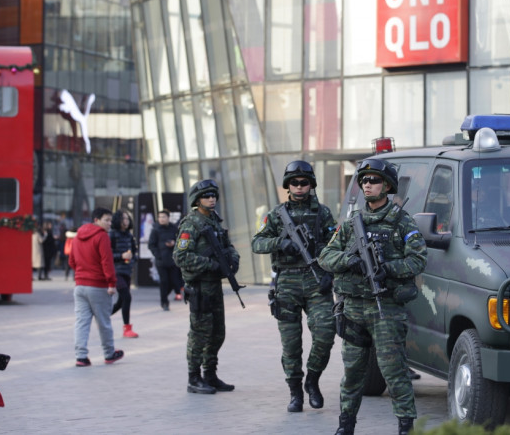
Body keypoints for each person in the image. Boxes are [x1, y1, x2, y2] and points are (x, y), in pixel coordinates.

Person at [318, 159, 427, 435]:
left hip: (386, 308)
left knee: (394, 371)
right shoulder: (353, 222)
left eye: (374, 180)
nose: (367, 184)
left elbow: (418, 260)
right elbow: (325, 256)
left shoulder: (402, 222)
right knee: (353, 372)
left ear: (387, 186)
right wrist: (349, 260)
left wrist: (387, 269)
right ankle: (346, 425)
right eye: (364, 180)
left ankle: (405, 426)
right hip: (353, 308)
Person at [251, 160, 337, 413]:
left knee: (325, 332)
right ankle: (295, 391)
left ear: (311, 185)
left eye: (304, 182)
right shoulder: (277, 215)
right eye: (294, 183)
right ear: (287, 186)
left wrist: (326, 268)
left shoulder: (323, 213)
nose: (299, 187)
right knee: (291, 344)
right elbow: (257, 243)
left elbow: (335, 246)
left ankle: (312, 379)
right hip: (286, 281)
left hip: (315, 279)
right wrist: (281, 243)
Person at [173, 179, 240, 395]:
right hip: (200, 287)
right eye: (206, 196)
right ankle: (194, 377)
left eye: (213, 196)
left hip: (214, 287)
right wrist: (210, 265)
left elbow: (228, 247)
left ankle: (210, 374)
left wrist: (233, 259)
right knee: (199, 334)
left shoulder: (214, 222)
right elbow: (180, 256)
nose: (211, 199)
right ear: (197, 199)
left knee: (217, 333)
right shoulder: (191, 224)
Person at [70, 207, 124, 367]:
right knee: (103, 322)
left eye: (110, 220)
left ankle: (81, 356)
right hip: (98, 286)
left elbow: (71, 261)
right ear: (96, 220)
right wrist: (111, 283)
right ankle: (109, 353)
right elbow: (106, 262)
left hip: (80, 286)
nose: (109, 223)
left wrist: (82, 273)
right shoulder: (102, 237)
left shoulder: (78, 236)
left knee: (81, 322)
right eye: (106, 220)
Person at [110, 210, 139, 338]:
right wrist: (121, 256)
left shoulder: (129, 235)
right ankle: (127, 328)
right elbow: (107, 256)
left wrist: (132, 259)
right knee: (127, 297)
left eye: (127, 219)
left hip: (127, 271)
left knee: (121, 301)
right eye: (123, 219)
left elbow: (134, 252)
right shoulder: (111, 235)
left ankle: (102, 316)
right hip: (116, 272)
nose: (126, 221)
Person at [149, 209, 185, 311]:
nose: (161, 219)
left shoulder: (174, 228)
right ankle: (164, 302)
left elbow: (181, 241)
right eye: (160, 217)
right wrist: (158, 255)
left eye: (163, 217)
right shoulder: (155, 230)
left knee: (174, 282)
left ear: (168, 218)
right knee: (164, 282)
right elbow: (151, 245)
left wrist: (174, 244)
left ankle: (165, 295)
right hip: (161, 261)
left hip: (173, 260)